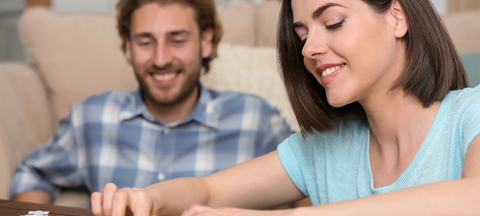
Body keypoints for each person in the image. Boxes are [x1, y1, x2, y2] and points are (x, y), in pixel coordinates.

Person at [91, 0, 480, 216]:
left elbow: (473, 203)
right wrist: (151, 199)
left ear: (398, 16)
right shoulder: (322, 149)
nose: (310, 48)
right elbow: (209, 190)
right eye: (302, 34)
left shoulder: (471, 112)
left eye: (333, 22)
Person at [9, 0, 292, 204]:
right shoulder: (92, 118)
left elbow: (310, 183)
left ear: (205, 42)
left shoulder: (256, 119)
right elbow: (34, 173)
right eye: (145, 42)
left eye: (177, 40)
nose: (160, 59)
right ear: (127, 47)